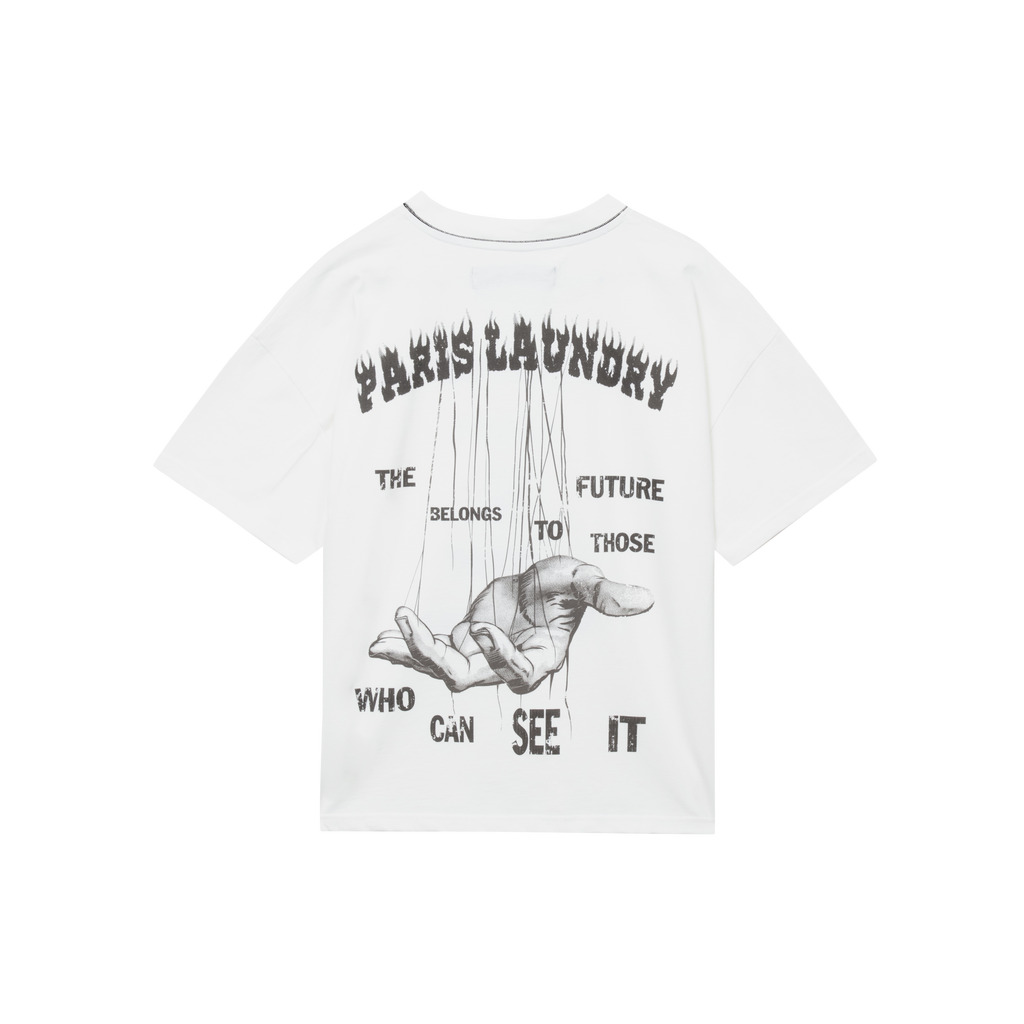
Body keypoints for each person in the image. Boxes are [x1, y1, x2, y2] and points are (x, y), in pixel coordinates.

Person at [370, 555, 653, 694]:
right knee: (465, 663)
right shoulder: (560, 580)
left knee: (468, 667)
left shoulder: (571, 581)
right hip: (483, 626)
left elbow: (614, 596)